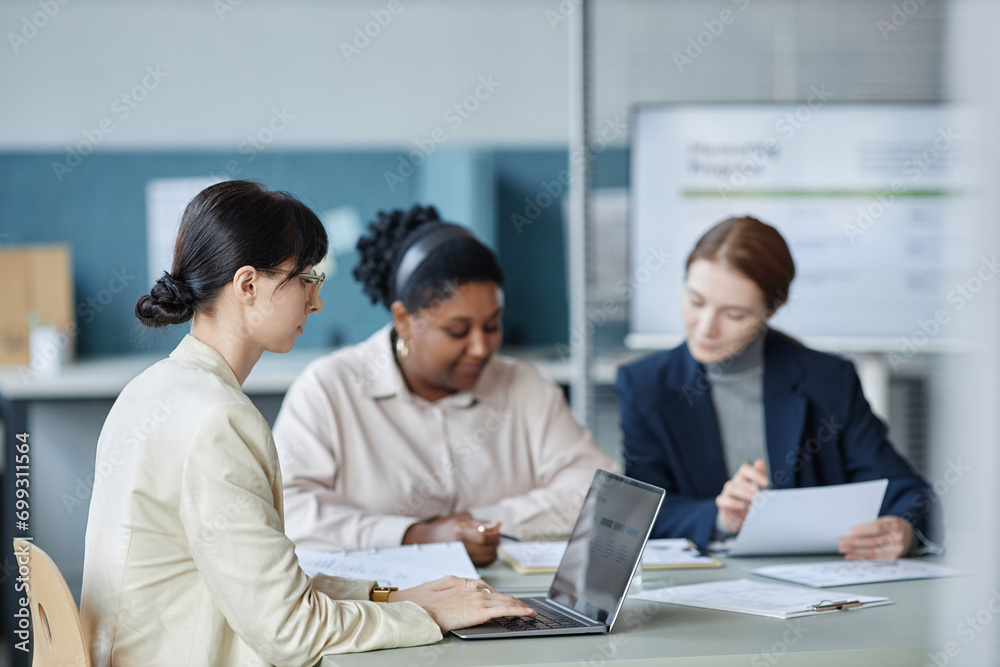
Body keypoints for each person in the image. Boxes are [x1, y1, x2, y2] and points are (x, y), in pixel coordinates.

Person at [79, 181, 532, 667]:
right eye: (306, 280)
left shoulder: (150, 389)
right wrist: (433, 619)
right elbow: (290, 632)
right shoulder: (219, 420)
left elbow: (261, 588)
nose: (315, 304)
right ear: (248, 285)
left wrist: (394, 598)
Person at [273, 204, 615, 566]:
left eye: (492, 325)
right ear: (404, 319)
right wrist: (415, 535)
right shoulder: (330, 389)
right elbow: (290, 512)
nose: (481, 347)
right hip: (383, 606)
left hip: (510, 601)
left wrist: (479, 525)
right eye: (458, 331)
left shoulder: (524, 386)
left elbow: (598, 491)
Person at [617, 216, 940, 560]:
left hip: (818, 589)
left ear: (772, 309)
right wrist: (720, 517)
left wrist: (903, 530)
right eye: (696, 302)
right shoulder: (645, 385)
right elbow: (643, 513)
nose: (706, 328)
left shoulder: (829, 379)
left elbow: (907, 493)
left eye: (735, 314)